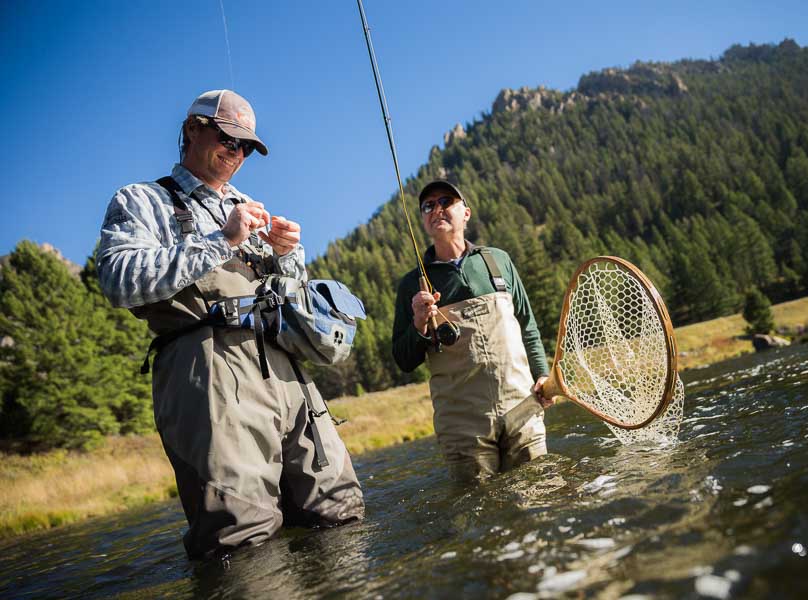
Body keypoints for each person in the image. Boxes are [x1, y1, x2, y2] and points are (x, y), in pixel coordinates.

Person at [97, 89, 364, 559]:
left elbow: (287, 292)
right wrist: (221, 240)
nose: (237, 154)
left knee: (339, 509)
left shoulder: (249, 204)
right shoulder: (143, 199)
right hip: (211, 380)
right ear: (192, 130)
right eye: (228, 139)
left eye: (246, 148)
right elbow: (118, 280)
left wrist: (287, 257)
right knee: (244, 538)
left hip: (288, 376)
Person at [392, 180, 553, 483]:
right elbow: (403, 359)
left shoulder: (498, 260)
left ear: (466, 213)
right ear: (424, 221)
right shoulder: (411, 285)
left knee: (541, 499)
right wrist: (418, 323)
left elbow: (527, 324)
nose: (436, 208)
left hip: (522, 411)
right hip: (462, 429)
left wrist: (542, 373)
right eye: (428, 206)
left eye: (445, 201)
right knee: (480, 524)